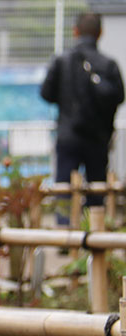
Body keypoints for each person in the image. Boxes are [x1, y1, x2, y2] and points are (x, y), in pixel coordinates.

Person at [40, 12, 124, 217]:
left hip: (68, 135)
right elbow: (119, 97)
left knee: (64, 187)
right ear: (100, 33)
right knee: (97, 187)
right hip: (98, 137)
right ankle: (95, 235)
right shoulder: (108, 64)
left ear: (75, 31)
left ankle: (63, 237)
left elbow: (46, 93)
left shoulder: (62, 61)